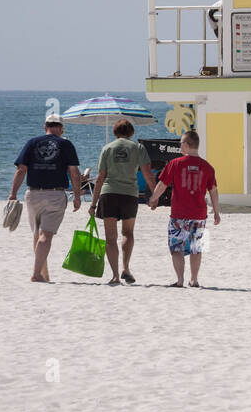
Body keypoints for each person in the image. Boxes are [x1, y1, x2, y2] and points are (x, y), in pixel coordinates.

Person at [10, 115, 83, 283]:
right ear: (62, 128)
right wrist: (77, 196)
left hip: (33, 194)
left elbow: (21, 170)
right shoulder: (66, 144)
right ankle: (37, 274)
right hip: (55, 195)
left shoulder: (32, 142)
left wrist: (13, 193)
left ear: (45, 127)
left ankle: (43, 274)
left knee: (37, 235)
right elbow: (74, 172)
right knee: (46, 236)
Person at [89, 120, 156, 285]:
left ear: (115, 132)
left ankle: (115, 275)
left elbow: (99, 178)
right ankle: (126, 267)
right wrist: (155, 194)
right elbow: (147, 173)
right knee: (128, 233)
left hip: (108, 194)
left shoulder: (107, 148)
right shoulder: (138, 148)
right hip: (129, 195)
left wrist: (93, 203)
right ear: (131, 132)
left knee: (110, 237)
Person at [150, 129, 219, 288]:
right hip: (199, 215)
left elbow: (162, 185)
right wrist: (216, 212)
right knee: (196, 247)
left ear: (187, 145)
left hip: (179, 215)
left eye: (181, 143)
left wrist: (153, 198)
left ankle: (180, 280)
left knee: (176, 248)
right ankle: (194, 279)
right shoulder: (208, 167)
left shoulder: (175, 164)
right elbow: (213, 191)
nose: (179, 145)